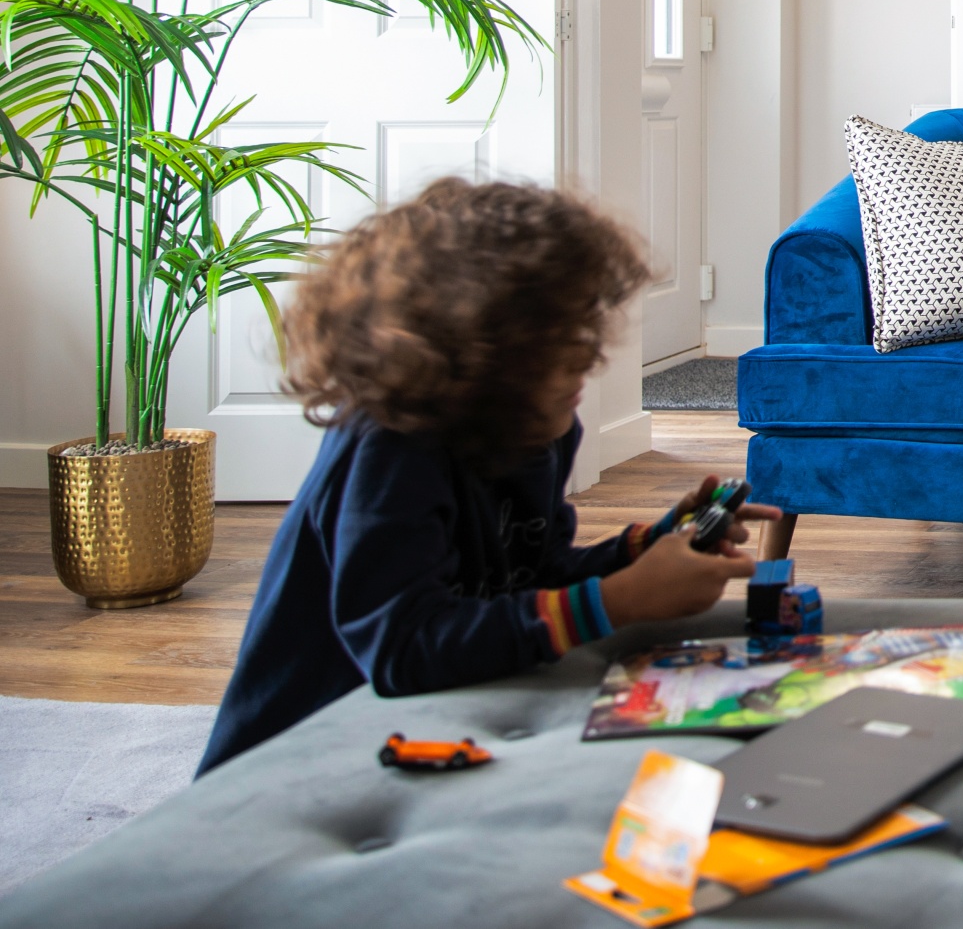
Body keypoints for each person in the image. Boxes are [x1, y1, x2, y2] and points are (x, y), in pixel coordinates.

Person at [198, 178, 777, 774]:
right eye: (557, 341)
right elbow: (403, 649)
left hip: (434, 725)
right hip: (305, 756)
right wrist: (620, 600)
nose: (590, 356)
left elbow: (530, 578)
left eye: (585, 327)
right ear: (475, 355)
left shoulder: (537, 429)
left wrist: (646, 547)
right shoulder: (391, 450)